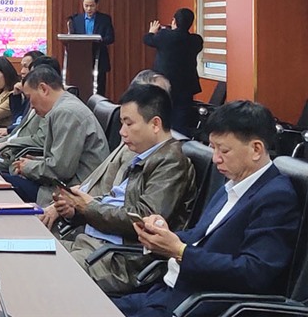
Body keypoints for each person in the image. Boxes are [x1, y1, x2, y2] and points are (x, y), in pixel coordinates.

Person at [113, 100, 301, 317]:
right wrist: (164, 235)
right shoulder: (231, 184)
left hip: (198, 305)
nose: (215, 159)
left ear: (256, 149)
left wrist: (180, 251)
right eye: (213, 148)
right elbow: (201, 238)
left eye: (224, 150)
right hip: (167, 292)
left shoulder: (277, 197)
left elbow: (254, 272)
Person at [49, 84, 196, 294]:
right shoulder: (143, 156)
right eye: (121, 123)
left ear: (155, 124)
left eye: (129, 123)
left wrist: (87, 207)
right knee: (29, 253)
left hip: (120, 260)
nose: (122, 132)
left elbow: (143, 220)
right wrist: (75, 210)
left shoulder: (171, 162)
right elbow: (114, 203)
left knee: (44, 272)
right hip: (94, 245)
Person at [4, 64, 109, 204]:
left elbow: (61, 170)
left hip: (73, 191)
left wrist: (27, 167)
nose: (31, 106)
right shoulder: (64, 106)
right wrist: (35, 162)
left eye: (29, 98)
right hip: (63, 184)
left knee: (2, 182)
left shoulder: (66, 112)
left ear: (43, 89)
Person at [0, 54, 55, 170]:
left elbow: (40, 140)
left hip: (20, 155)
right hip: (12, 150)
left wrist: (6, 143)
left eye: (26, 68)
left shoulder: (47, 105)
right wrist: (16, 95)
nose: (22, 72)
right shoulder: (31, 97)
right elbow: (18, 121)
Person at [143, 7, 204, 134]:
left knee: (163, 116)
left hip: (164, 84)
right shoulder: (196, 40)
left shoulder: (164, 36)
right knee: (181, 120)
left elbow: (147, 40)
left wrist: (152, 31)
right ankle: (181, 143)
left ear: (174, 21)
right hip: (186, 86)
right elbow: (180, 38)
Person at [70, 0, 115, 96]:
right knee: (82, 89)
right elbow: (73, 39)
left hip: (99, 58)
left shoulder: (104, 19)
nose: (89, 9)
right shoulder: (76, 20)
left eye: (91, 6)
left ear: (97, 5)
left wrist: (98, 40)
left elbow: (111, 37)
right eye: (86, 6)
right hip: (82, 60)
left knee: (99, 89)